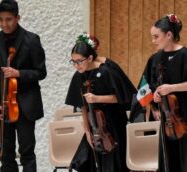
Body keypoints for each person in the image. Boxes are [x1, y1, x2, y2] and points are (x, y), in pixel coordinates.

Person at [0, 0, 47, 172]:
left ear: (18, 18)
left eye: (9, 19)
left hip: (25, 106)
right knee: (6, 154)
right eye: (1, 19)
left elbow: (41, 72)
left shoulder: (32, 40)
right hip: (3, 107)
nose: (4, 24)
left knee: (27, 152)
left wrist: (18, 73)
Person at [65, 33, 136, 172]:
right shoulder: (79, 75)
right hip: (94, 125)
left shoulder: (107, 70)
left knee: (114, 161)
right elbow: (83, 107)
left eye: (79, 61)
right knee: (87, 161)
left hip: (114, 122)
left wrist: (97, 98)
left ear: (90, 58)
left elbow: (122, 97)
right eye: (73, 61)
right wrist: (87, 131)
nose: (76, 65)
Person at [141, 14, 187, 172]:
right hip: (167, 118)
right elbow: (147, 86)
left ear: (169, 35)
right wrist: (154, 101)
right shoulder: (155, 59)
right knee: (168, 158)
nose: (153, 41)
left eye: (156, 37)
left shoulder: (185, 55)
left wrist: (172, 88)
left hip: (185, 114)